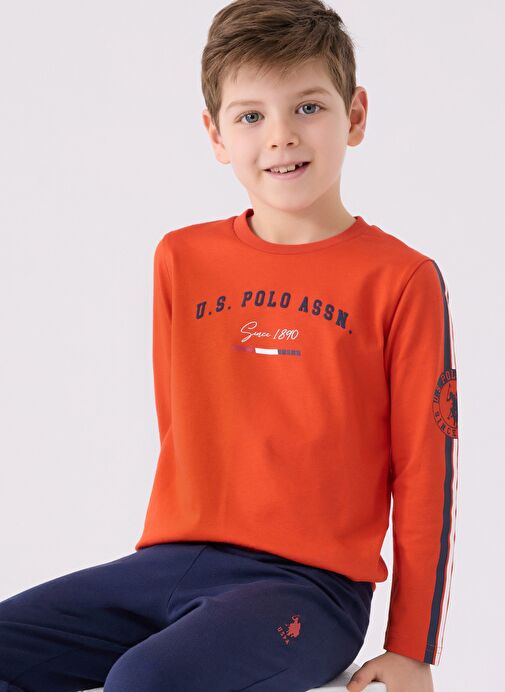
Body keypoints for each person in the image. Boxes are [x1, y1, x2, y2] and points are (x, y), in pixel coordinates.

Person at [0, 1, 459, 691]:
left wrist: (412, 648)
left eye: (308, 107)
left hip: (309, 589)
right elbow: (181, 426)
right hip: (167, 563)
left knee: (145, 681)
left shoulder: (400, 278)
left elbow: (428, 471)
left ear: (355, 116)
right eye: (250, 116)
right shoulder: (182, 260)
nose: (281, 136)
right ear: (216, 134)